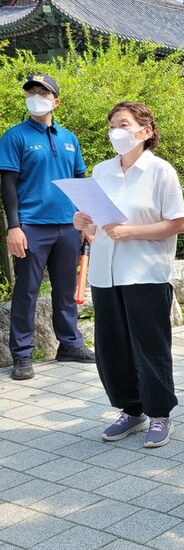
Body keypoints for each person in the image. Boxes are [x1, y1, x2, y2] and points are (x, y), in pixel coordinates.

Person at [73, 102, 184, 447]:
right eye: (112, 126)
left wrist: (132, 231)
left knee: (149, 346)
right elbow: (93, 217)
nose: (116, 132)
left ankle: (160, 414)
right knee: (111, 346)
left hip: (145, 271)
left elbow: (177, 222)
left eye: (123, 124)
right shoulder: (102, 170)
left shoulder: (160, 171)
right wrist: (83, 222)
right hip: (106, 273)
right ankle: (130, 409)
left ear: (146, 130)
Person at [0, 74, 95, 381]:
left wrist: (86, 221)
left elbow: (80, 182)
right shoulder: (15, 136)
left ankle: (69, 344)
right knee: (26, 291)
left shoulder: (70, 138)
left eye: (43, 92)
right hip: (31, 227)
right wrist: (14, 227)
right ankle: (23, 355)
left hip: (68, 225)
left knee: (66, 290)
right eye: (31, 92)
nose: (36, 96)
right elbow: (8, 184)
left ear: (56, 101)